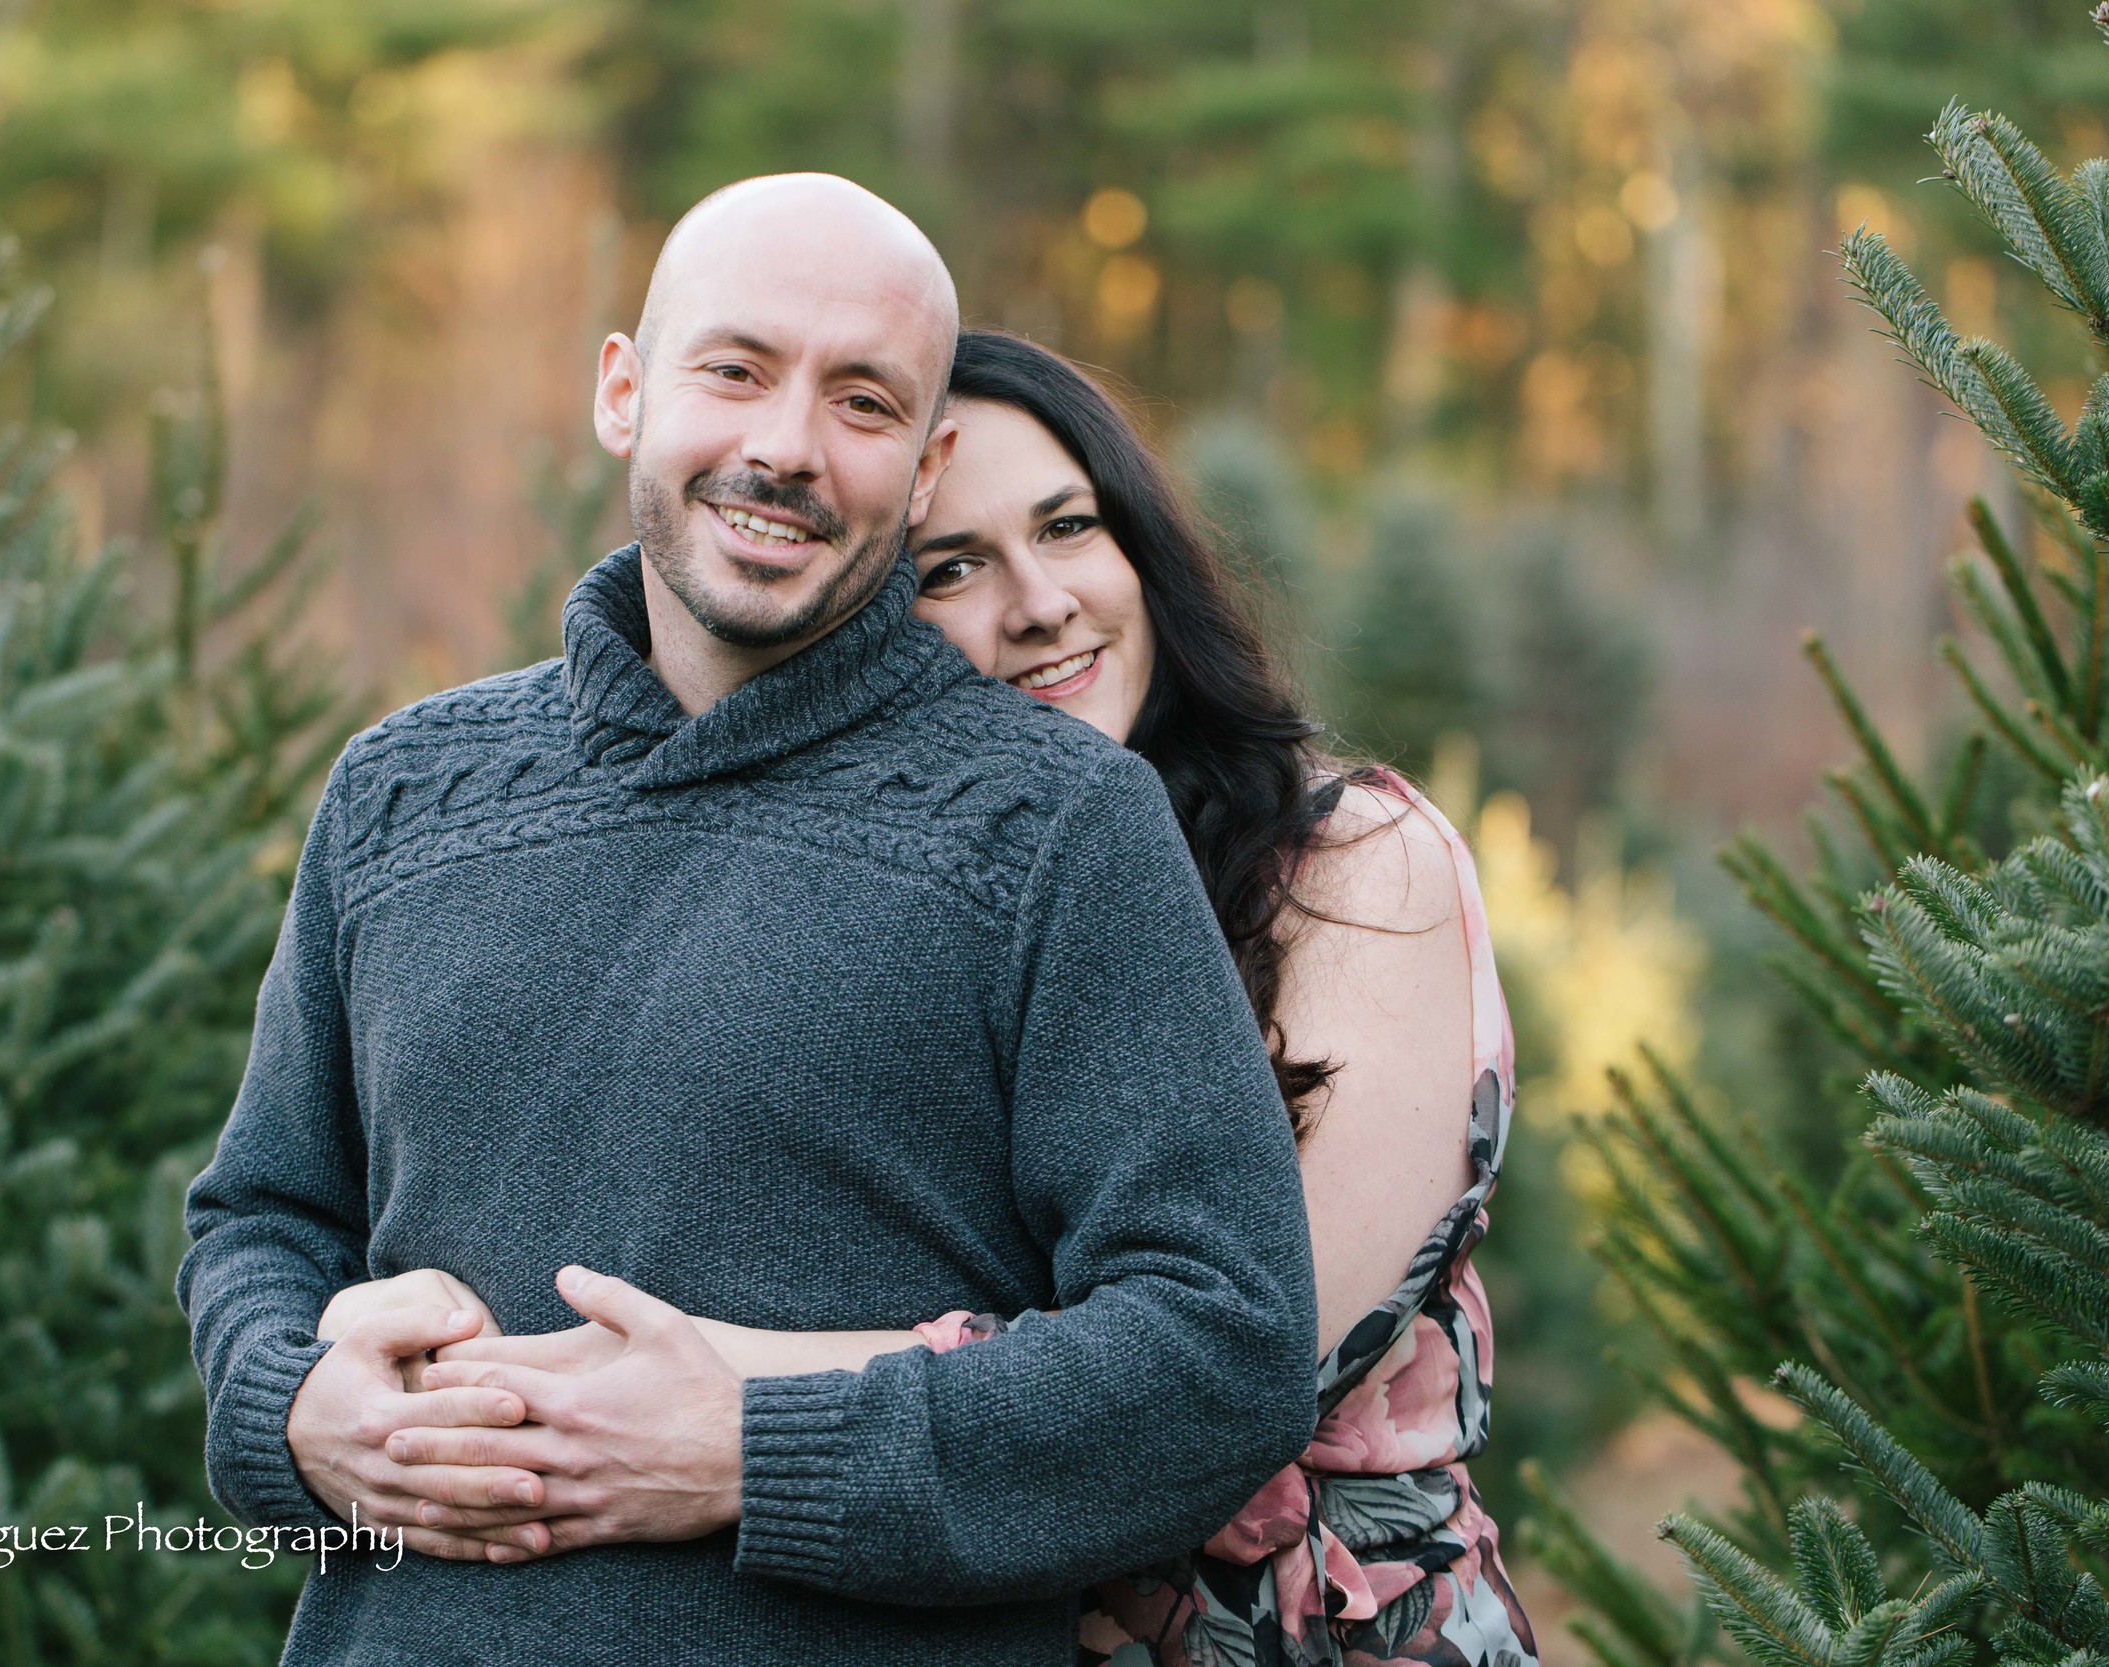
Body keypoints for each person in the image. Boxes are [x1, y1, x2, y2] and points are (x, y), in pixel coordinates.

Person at [174, 179, 1321, 1667]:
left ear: (924, 471)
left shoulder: (1057, 828)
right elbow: (261, 1217)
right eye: (736, 370)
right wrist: (292, 1410)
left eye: (861, 400)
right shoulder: (403, 791)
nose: (784, 448)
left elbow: (1219, 1351)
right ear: (623, 391)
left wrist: (752, 1453)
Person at [329, 330, 1540, 1667]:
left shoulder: (1359, 862)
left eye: (1071, 528)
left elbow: (1253, 1352)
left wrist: (712, 1395)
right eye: (953, 569)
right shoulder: (921, 904)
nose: (1037, 603)